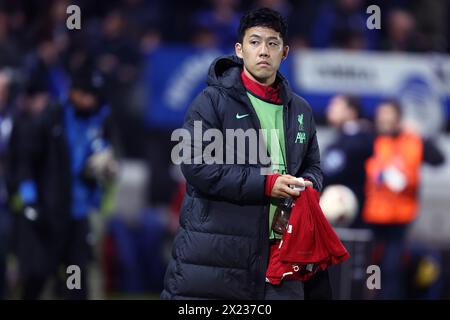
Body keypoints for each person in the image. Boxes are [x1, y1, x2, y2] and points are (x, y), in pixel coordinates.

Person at [162, 8, 330, 300]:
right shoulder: (211, 102)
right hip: (219, 257)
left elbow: (313, 165)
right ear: (239, 49)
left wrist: (308, 185)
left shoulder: (301, 109)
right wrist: (266, 185)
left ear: (285, 52)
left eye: (272, 43)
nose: (263, 50)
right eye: (254, 42)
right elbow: (196, 165)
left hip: (283, 257)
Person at [8, 68, 117, 300]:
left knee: (75, 279)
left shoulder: (99, 119)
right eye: (86, 93)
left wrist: (106, 168)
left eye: (94, 94)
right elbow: (27, 162)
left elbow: (103, 157)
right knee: (37, 275)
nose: (90, 99)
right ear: (73, 92)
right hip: (48, 213)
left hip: (77, 215)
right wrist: (29, 200)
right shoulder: (50, 119)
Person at [362, 100, 444, 299]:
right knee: (372, 268)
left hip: (400, 218)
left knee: (392, 267)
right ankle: (373, 296)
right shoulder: (370, 140)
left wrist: (422, 135)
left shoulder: (413, 141)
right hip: (373, 217)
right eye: (381, 116)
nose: (385, 120)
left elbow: (438, 158)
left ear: (398, 118)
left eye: (389, 115)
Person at [322, 94, 374, 228]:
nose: (330, 109)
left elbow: (328, 172)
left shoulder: (358, 139)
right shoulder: (342, 137)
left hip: (353, 213)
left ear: (351, 112)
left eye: (336, 105)